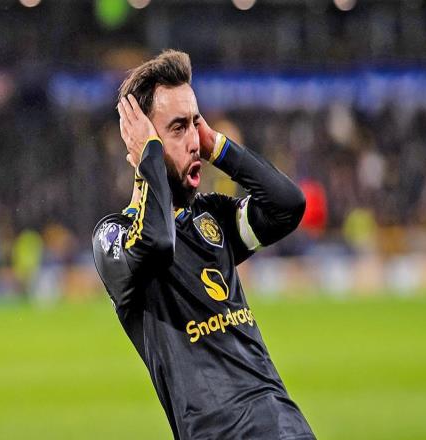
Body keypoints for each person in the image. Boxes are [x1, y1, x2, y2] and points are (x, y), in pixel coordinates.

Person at [92, 50, 315, 440]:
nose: (194, 140)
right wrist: (149, 159)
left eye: (195, 123)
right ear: (141, 141)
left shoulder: (213, 217)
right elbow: (157, 243)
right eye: (178, 128)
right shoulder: (113, 236)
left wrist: (218, 146)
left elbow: (287, 206)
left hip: (286, 424)